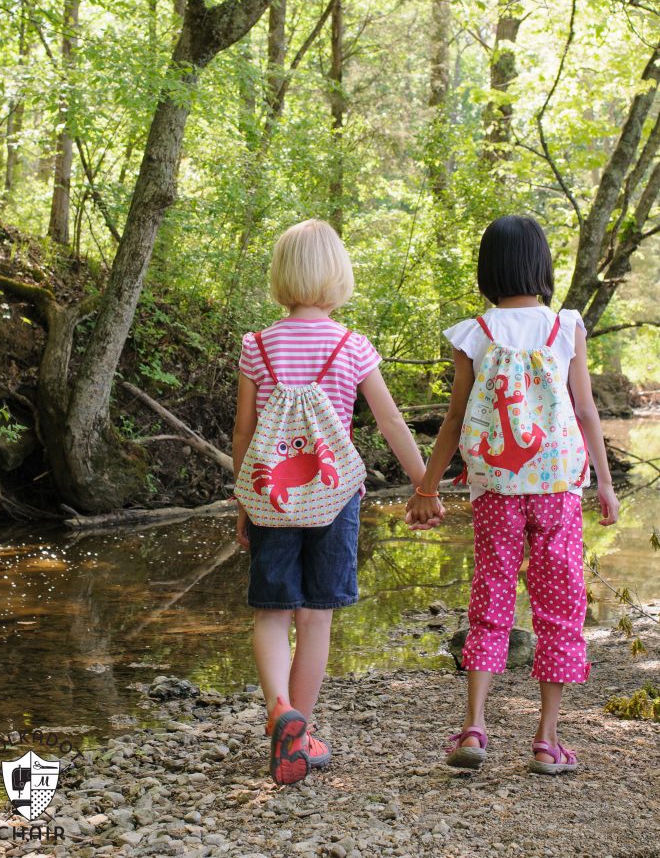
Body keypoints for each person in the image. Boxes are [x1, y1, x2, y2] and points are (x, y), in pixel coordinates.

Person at [405, 215, 620, 775]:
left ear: (489, 269)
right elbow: (585, 412)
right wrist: (606, 483)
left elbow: (453, 419)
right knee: (560, 607)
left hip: (496, 489)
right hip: (556, 488)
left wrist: (428, 487)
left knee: (491, 598)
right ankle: (547, 740)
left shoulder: (475, 332)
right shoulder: (565, 326)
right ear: (543, 265)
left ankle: (475, 726)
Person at [232, 218, 425, 785]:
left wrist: (244, 500)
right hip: (335, 498)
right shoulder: (352, 345)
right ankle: (303, 731)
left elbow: (244, 435)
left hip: (271, 496)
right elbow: (389, 421)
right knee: (316, 617)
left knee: (271, 612)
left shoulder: (256, 346)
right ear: (338, 274)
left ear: (281, 275)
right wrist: (423, 483)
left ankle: (279, 713)